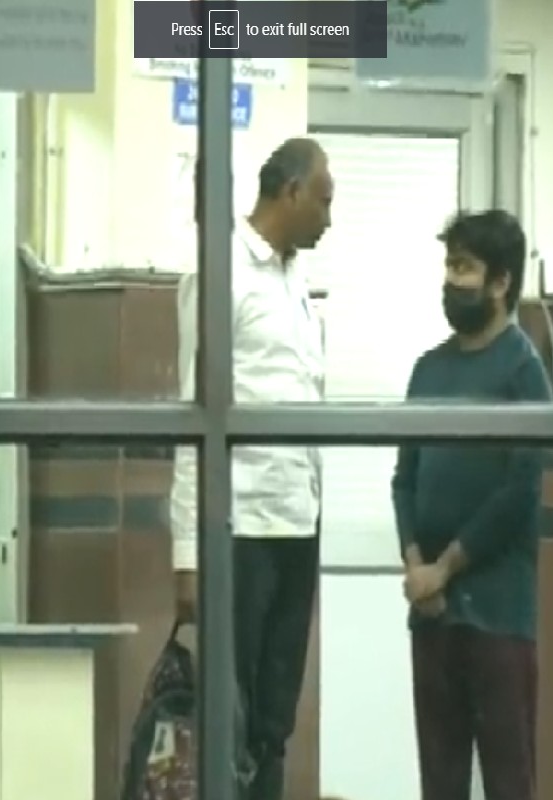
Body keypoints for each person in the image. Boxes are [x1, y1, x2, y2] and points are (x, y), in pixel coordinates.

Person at [168, 137, 334, 800]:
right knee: (229, 718)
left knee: (274, 719)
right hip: (240, 527)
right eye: (323, 200)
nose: (330, 218)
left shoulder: (296, 279)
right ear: (290, 192)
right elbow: (192, 414)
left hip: (297, 520)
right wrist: (188, 555)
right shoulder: (220, 271)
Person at [391, 210, 551, 800]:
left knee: (509, 780)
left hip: (498, 615)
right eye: (449, 265)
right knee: (440, 782)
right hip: (432, 615)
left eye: (465, 268)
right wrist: (417, 570)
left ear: (500, 282)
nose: (451, 280)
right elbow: (404, 480)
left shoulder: (523, 372)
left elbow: (520, 491)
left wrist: (446, 567)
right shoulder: (427, 370)